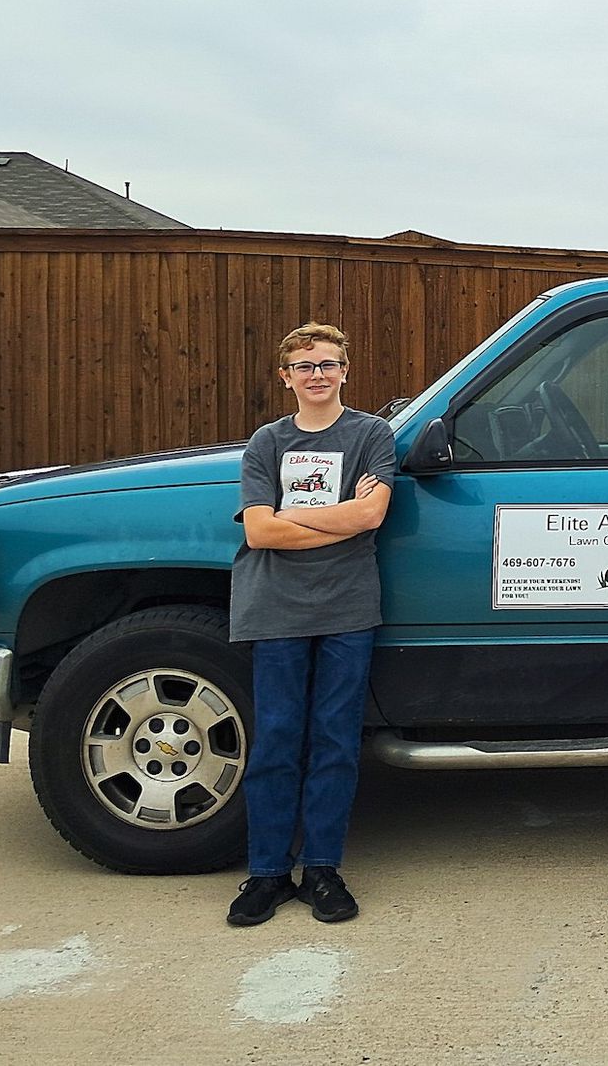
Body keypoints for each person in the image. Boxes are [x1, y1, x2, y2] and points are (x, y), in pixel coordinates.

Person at [225, 322, 396, 926]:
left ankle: (322, 867)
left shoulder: (372, 435)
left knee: (334, 740)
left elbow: (373, 515)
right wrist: (340, 517)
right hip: (274, 609)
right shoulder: (266, 444)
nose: (317, 375)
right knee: (275, 740)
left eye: (327, 364)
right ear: (285, 377)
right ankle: (266, 873)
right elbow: (258, 530)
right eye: (304, 366)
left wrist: (298, 516)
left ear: (345, 371)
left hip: (347, 608)